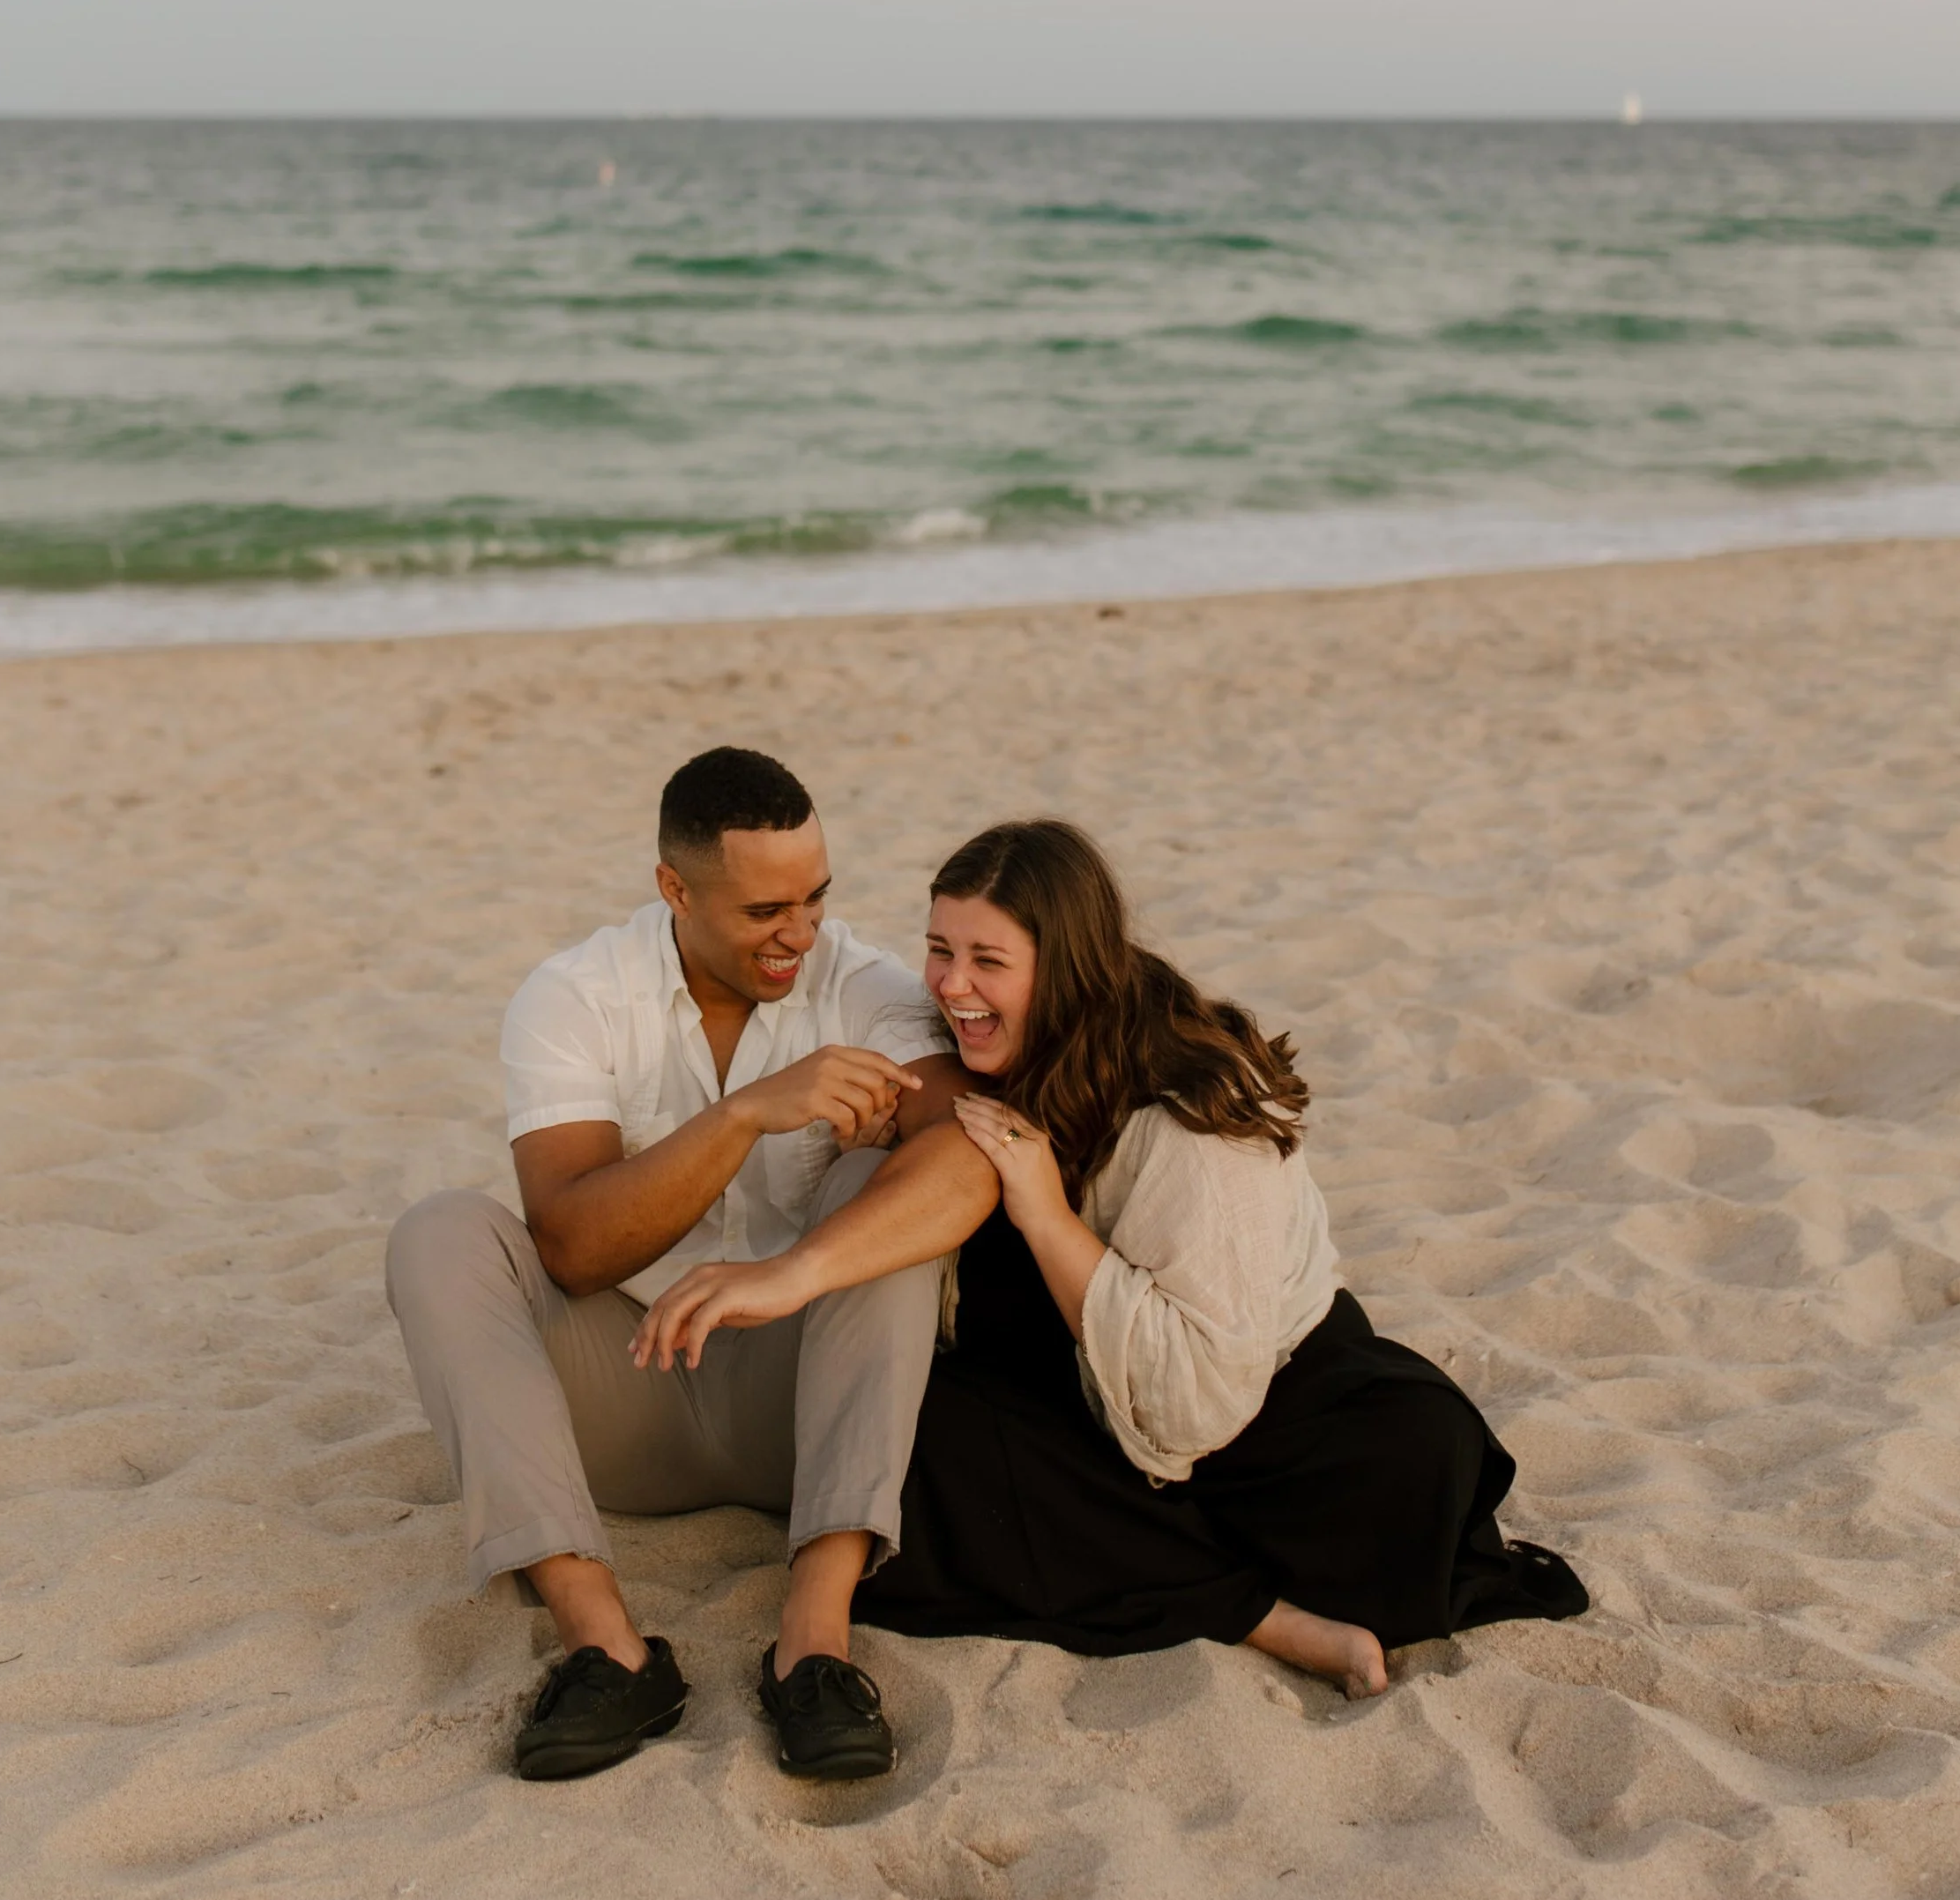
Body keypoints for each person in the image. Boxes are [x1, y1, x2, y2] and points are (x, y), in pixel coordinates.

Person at [822, 817, 1589, 1687]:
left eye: (988, 961)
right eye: (937, 949)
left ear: (1066, 966)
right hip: (1083, 1405)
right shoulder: (979, 1041)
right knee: (918, 1436)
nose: (952, 986)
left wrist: (1043, 1213)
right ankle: (1267, 1618)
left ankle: (1207, 1587)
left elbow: (1195, 1407)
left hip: (1268, 1425)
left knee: (1404, 1464)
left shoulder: (1188, 1104)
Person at [384, 747, 995, 1785]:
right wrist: (750, 1111)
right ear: (675, 889)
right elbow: (572, 1245)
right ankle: (604, 1649)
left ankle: (813, 1644)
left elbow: (978, 1155)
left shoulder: (866, 987)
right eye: (765, 911)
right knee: (439, 1230)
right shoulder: (574, 995)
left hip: (800, 1407)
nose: (798, 933)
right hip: (621, 1393)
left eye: (815, 898)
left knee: (882, 1197)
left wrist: (795, 1273)